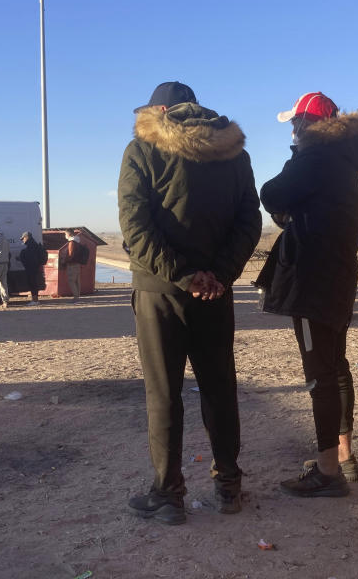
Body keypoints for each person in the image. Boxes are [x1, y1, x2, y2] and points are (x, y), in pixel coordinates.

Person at [118, 81, 261, 525]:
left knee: (164, 394)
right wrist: (218, 275)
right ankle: (229, 485)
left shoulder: (141, 150)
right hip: (216, 294)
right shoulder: (234, 152)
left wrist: (183, 276)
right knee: (219, 387)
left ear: (160, 109)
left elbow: (135, 226)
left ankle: (168, 494)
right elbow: (249, 221)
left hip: (160, 293)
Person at [255, 91, 358, 498]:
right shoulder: (344, 158)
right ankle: (343, 456)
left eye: (295, 123)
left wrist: (295, 162)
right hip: (336, 277)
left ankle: (327, 472)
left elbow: (271, 193)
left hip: (311, 281)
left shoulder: (316, 157)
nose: (291, 129)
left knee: (318, 374)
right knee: (336, 366)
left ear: (307, 125)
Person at [18, 231, 47, 305]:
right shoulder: (35, 244)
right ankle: (35, 300)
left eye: (23, 238)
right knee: (34, 283)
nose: (23, 240)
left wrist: (21, 257)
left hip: (31, 268)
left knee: (32, 284)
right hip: (36, 268)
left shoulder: (30, 246)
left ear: (27, 237)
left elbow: (29, 258)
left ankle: (35, 301)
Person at [58, 229, 85, 301]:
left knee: (71, 281)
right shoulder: (78, 242)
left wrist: (64, 261)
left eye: (65, 234)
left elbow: (70, 254)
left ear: (69, 234)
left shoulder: (72, 243)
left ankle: (76, 297)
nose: (65, 236)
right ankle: (77, 296)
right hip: (77, 264)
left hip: (72, 264)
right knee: (77, 281)